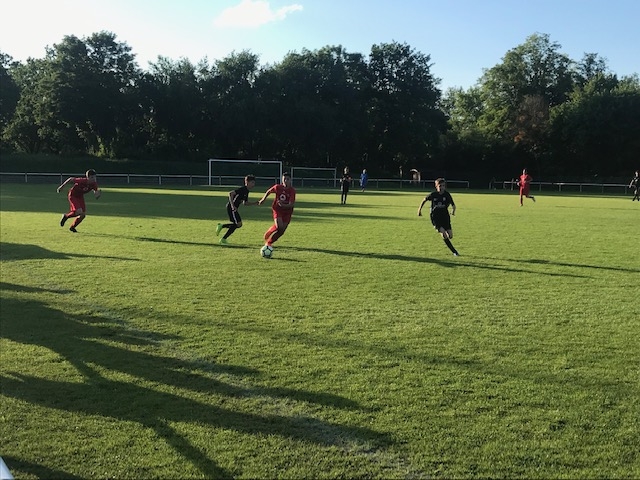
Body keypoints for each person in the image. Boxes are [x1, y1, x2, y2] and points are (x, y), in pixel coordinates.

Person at [418, 178, 459, 256]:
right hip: (435, 217)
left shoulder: (447, 194)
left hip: (445, 216)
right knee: (443, 233)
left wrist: (453, 211)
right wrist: (419, 210)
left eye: (443, 186)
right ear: (436, 186)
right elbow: (424, 200)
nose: (441, 187)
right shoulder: (433, 195)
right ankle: (454, 251)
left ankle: (452, 248)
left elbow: (453, 205)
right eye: (440, 186)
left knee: (450, 236)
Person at [216, 175, 257, 245]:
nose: (253, 184)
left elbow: (245, 203)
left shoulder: (246, 191)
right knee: (238, 224)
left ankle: (222, 230)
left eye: (254, 183)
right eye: (252, 182)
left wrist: (255, 203)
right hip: (231, 208)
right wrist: (233, 206)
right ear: (247, 182)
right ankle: (223, 238)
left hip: (234, 208)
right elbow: (230, 193)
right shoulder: (242, 189)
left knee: (238, 224)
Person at [258, 172, 296, 248]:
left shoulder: (292, 191)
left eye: (288, 179)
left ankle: (269, 242)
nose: (286, 181)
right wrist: (263, 199)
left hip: (287, 212)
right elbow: (269, 191)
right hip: (277, 209)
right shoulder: (278, 187)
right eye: (284, 179)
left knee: (282, 231)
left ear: (290, 180)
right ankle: (271, 231)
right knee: (279, 227)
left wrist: (283, 205)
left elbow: (291, 204)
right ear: (282, 180)